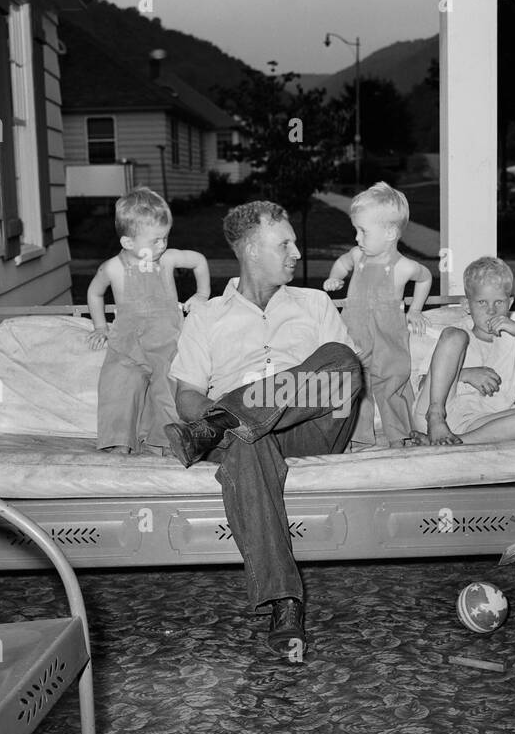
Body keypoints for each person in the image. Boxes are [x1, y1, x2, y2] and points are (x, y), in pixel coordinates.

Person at [166, 201, 364, 660]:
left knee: (341, 358)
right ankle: (284, 602)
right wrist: (240, 419)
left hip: (313, 428)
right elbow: (186, 397)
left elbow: (343, 378)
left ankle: (223, 422)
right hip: (248, 447)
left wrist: (224, 413)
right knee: (249, 443)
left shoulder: (314, 303)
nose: (296, 252)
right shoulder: (207, 317)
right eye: (285, 244)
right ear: (253, 250)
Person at [88, 187, 210, 455]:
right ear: (127, 243)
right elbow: (95, 292)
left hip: (167, 342)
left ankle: (165, 443)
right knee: (117, 390)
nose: (162, 245)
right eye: (155, 240)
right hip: (126, 345)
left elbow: (199, 261)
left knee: (166, 393)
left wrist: (202, 294)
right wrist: (100, 325)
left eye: (165, 238)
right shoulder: (113, 268)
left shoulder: (167, 259)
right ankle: (117, 442)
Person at [415, 256, 515, 445]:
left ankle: (454, 443)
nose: (491, 311)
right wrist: (466, 375)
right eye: (482, 302)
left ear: (509, 304)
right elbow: (422, 383)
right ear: (467, 305)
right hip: (436, 414)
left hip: (482, 424)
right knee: (455, 335)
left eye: (499, 302)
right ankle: (435, 421)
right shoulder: (456, 334)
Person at [323, 181, 432, 448]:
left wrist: (416, 309)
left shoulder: (403, 267)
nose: (357, 238)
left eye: (363, 231)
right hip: (355, 334)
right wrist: (334, 277)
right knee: (354, 384)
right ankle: (357, 437)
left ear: (390, 232)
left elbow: (426, 277)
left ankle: (399, 436)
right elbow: (341, 264)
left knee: (392, 383)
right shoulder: (357, 256)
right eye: (356, 231)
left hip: (388, 338)